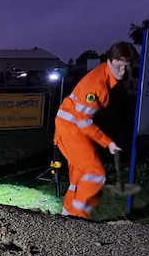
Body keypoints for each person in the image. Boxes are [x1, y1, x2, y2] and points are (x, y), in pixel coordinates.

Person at [54, 41, 135, 218]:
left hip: (72, 126)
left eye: (126, 67)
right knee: (95, 172)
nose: (122, 71)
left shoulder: (109, 79)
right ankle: (80, 218)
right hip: (71, 128)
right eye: (118, 66)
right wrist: (108, 142)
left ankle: (67, 217)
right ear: (109, 60)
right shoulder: (97, 85)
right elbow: (84, 122)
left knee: (79, 177)